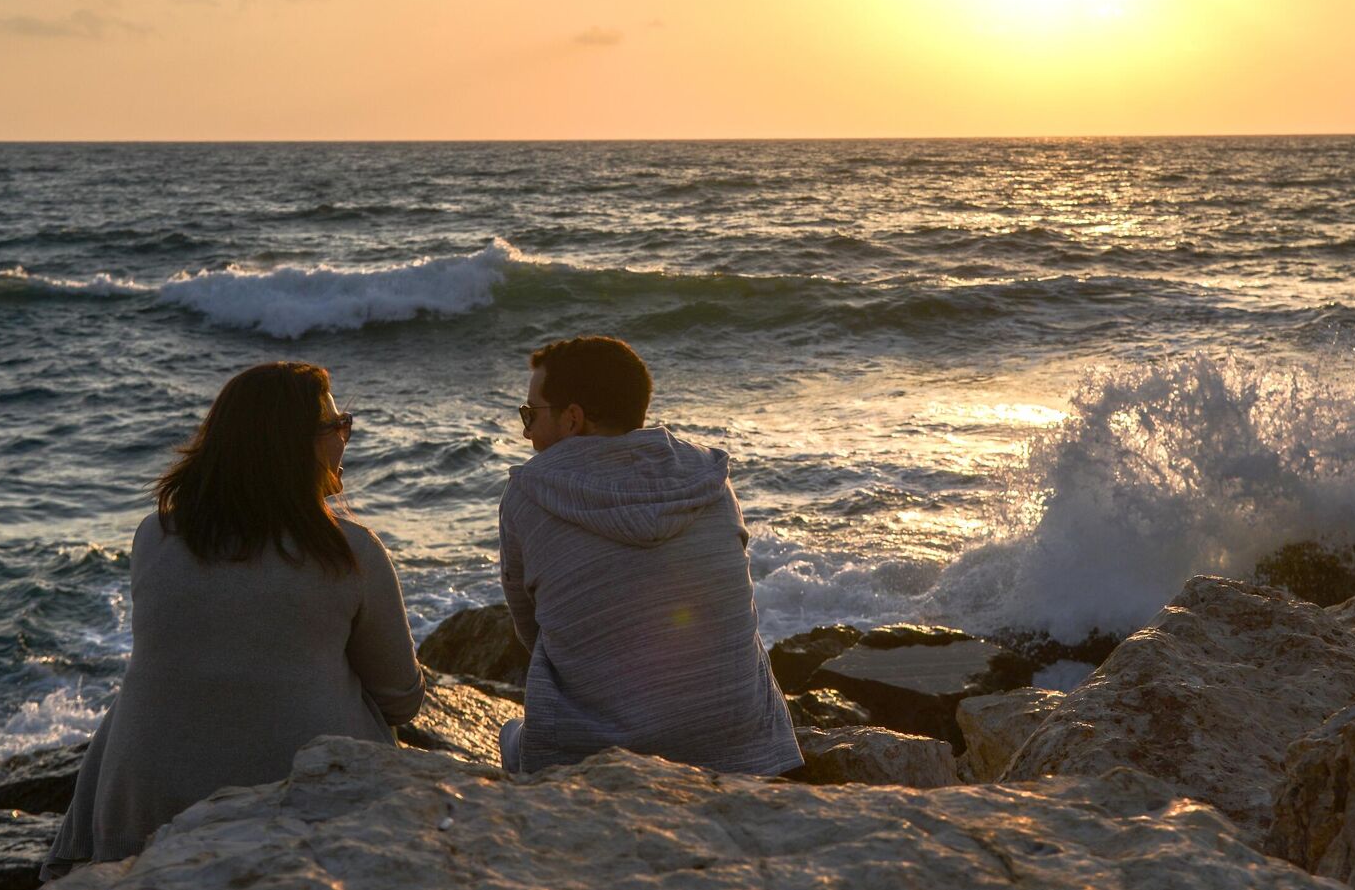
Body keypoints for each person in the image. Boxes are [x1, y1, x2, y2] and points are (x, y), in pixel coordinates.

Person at [43, 362, 425, 879]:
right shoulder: (351, 552)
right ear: (295, 446)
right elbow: (401, 699)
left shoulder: (153, 535)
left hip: (141, 806)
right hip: (294, 802)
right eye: (336, 427)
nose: (344, 439)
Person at [499, 336, 800, 775]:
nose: (526, 431)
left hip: (594, 757)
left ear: (572, 420)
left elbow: (530, 629)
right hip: (744, 747)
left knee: (511, 734)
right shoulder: (708, 478)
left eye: (530, 415)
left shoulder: (527, 493)